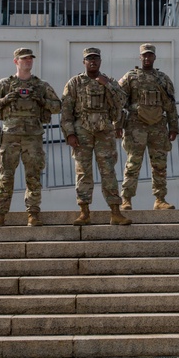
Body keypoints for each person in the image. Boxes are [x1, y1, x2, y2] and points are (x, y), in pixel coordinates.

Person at [0, 47, 62, 227]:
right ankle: (0, 214)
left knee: (33, 176)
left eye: (30, 59)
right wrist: (6, 100)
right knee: (5, 177)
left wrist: (41, 100)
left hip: (32, 136)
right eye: (24, 59)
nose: (28, 61)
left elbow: (58, 106)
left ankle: (33, 214)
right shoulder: (4, 84)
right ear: (16, 61)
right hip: (10, 136)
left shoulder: (41, 85)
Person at [61, 47, 130, 226]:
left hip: (104, 131)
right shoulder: (74, 83)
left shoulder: (109, 81)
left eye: (96, 59)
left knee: (108, 170)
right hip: (81, 131)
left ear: (100, 61)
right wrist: (69, 133)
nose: (93, 61)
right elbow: (66, 111)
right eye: (89, 59)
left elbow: (122, 101)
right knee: (83, 172)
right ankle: (84, 211)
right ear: (84, 62)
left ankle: (115, 211)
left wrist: (106, 84)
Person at [118, 43, 179, 210]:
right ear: (140, 57)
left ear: (154, 57)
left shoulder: (163, 79)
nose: (147, 58)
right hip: (135, 126)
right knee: (133, 163)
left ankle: (160, 199)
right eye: (144, 55)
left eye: (150, 55)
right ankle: (126, 199)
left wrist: (173, 127)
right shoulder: (130, 76)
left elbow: (170, 105)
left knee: (159, 164)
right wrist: (117, 125)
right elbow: (118, 101)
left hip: (158, 126)